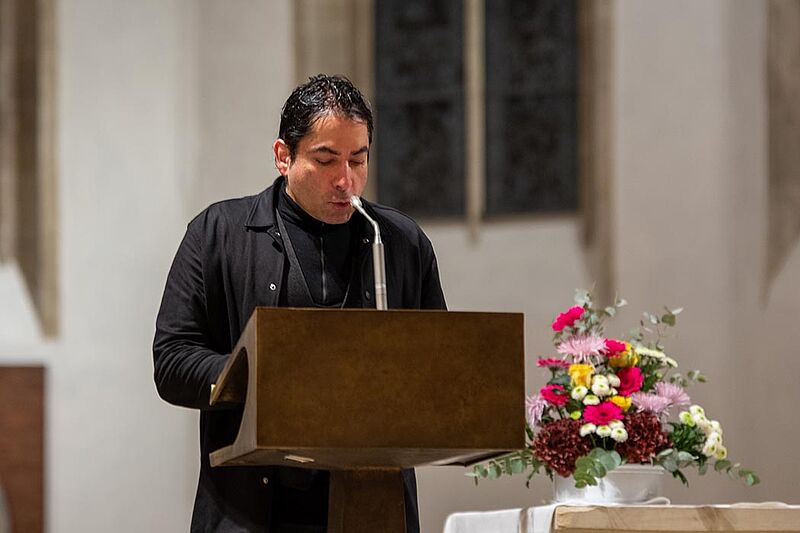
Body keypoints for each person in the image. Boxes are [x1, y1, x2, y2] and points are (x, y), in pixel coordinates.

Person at [153, 74, 446, 533]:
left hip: (370, 508)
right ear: (283, 156)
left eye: (358, 160)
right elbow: (172, 362)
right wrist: (263, 377)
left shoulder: (401, 242)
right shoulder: (217, 234)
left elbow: (440, 370)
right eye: (326, 160)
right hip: (248, 510)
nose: (346, 180)